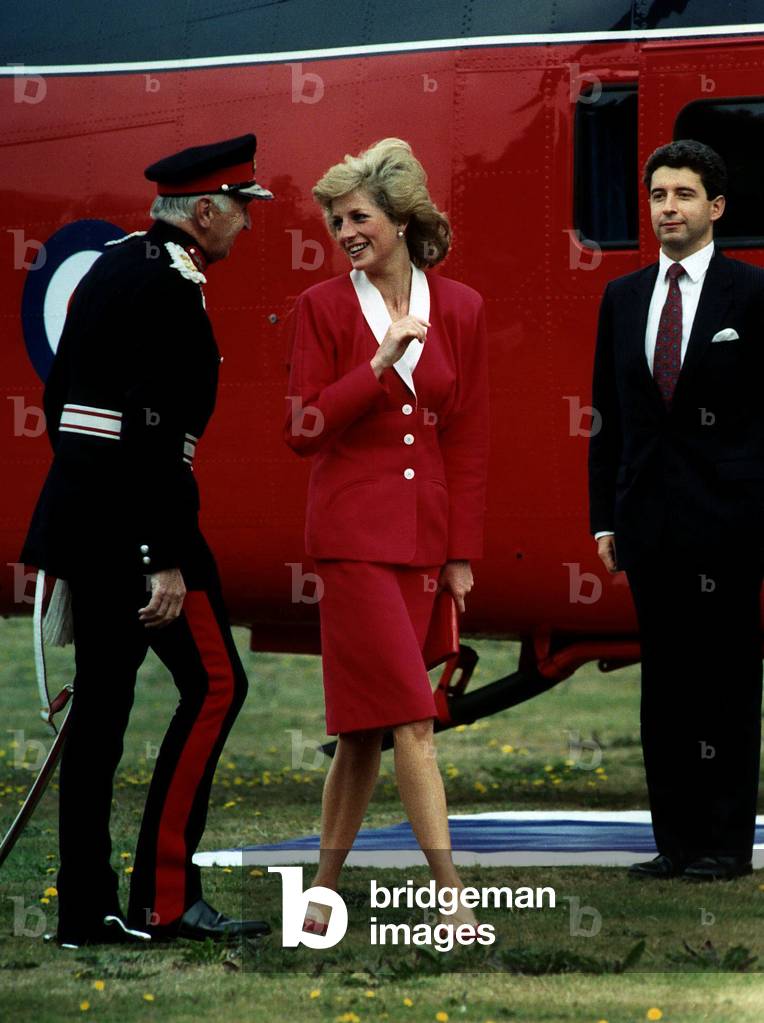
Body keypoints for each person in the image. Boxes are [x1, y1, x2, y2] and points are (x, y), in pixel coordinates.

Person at [21, 134, 274, 946]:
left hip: (86, 515)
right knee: (216, 685)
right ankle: (165, 898)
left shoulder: (115, 266)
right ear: (204, 212)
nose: (245, 223)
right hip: (139, 525)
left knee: (100, 712)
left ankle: (86, 912)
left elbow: (63, 393)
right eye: (240, 207)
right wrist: (157, 554)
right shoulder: (167, 285)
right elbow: (154, 431)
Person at [284, 138, 489, 931]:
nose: (345, 232)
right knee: (412, 717)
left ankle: (321, 897)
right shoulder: (322, 309)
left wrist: (462, 553)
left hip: (424, 546)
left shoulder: (462, 308)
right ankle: (451, 900)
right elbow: (302, 428)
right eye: (337, 221)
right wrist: (373, 365)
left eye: (358, 216)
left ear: (401, 220)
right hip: (353, 542)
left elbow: (467, 439)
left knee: (362, 732)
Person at [588, 139, 764, 881]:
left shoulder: (752, 296)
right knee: (664, 685)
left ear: (715, 206)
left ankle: (724, 845)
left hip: (728, 525)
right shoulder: (624, 297)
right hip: (648, 525)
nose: (668, 208)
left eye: (684, 194)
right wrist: (605, 518)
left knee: (723, 683)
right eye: (658, 195)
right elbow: (609, 417)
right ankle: (676, 842)